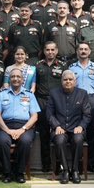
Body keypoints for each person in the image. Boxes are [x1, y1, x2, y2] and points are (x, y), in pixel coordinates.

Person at [0, 68, 40, 183]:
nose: (15, 79)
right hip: (5, 125)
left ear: (22, 79)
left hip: (25, 126)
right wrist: (7, 130)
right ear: (9, 79)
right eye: (13, 77)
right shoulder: (2, 94)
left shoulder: (29, 95)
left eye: (18, 77)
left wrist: (22, 129)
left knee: (25, 141)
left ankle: (19, 173)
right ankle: (7, 173)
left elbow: (34, 116)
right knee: (3, 142)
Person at [47, 69, 92, 184]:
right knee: (60, 139)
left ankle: (75, 170)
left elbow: (87, 114)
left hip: (76, 127)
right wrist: (56, 126)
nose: (68, 81)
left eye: (70, 79)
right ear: (61, 81)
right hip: (60, 128)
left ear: (75, 81)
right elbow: (49, 114)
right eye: (65, 79)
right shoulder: (54, 93)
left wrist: (81, 126)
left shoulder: (82, 94)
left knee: (78, 139)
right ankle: (65, 170)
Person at [68, 41, 94, 172]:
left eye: (85, 49)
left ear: (89, 52)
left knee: (92, 133)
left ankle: (91, 164)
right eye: (80, 49)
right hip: (76, 100)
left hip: (91, 99)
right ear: (77, 52)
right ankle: (78, 163)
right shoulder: (71, 68)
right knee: (76, 131)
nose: (83, 51)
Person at [35, 42, 65, 171]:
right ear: (44, 51)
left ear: (57, 51)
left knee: (57, 132)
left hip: (57, 103)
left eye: (53, 49)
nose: (50, 52)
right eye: (47, 50)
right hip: (41, 101)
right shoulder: (37, 66)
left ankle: (58, 164)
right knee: (43, 134)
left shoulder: (63, 66)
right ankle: (46, 164)